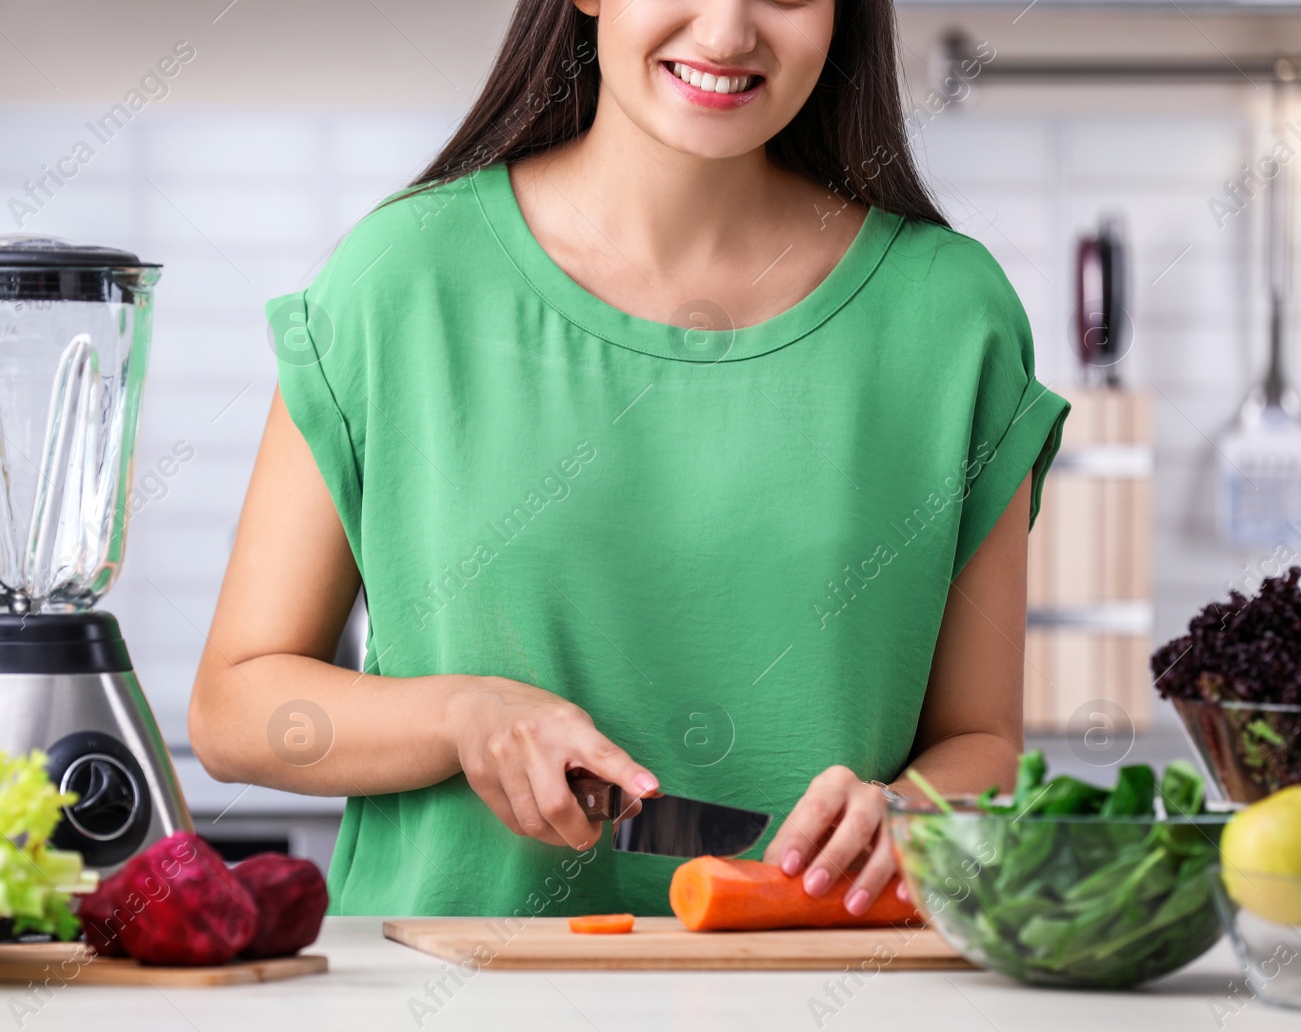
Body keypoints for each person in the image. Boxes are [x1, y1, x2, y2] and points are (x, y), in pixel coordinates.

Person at [188, 0, 1068, 918]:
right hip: (448, 1013)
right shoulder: (399, 280)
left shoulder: (951, 316)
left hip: (826, 1005)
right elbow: (235, 707)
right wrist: (460, 716)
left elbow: (981, 740)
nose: (727, 34)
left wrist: (907, 811)